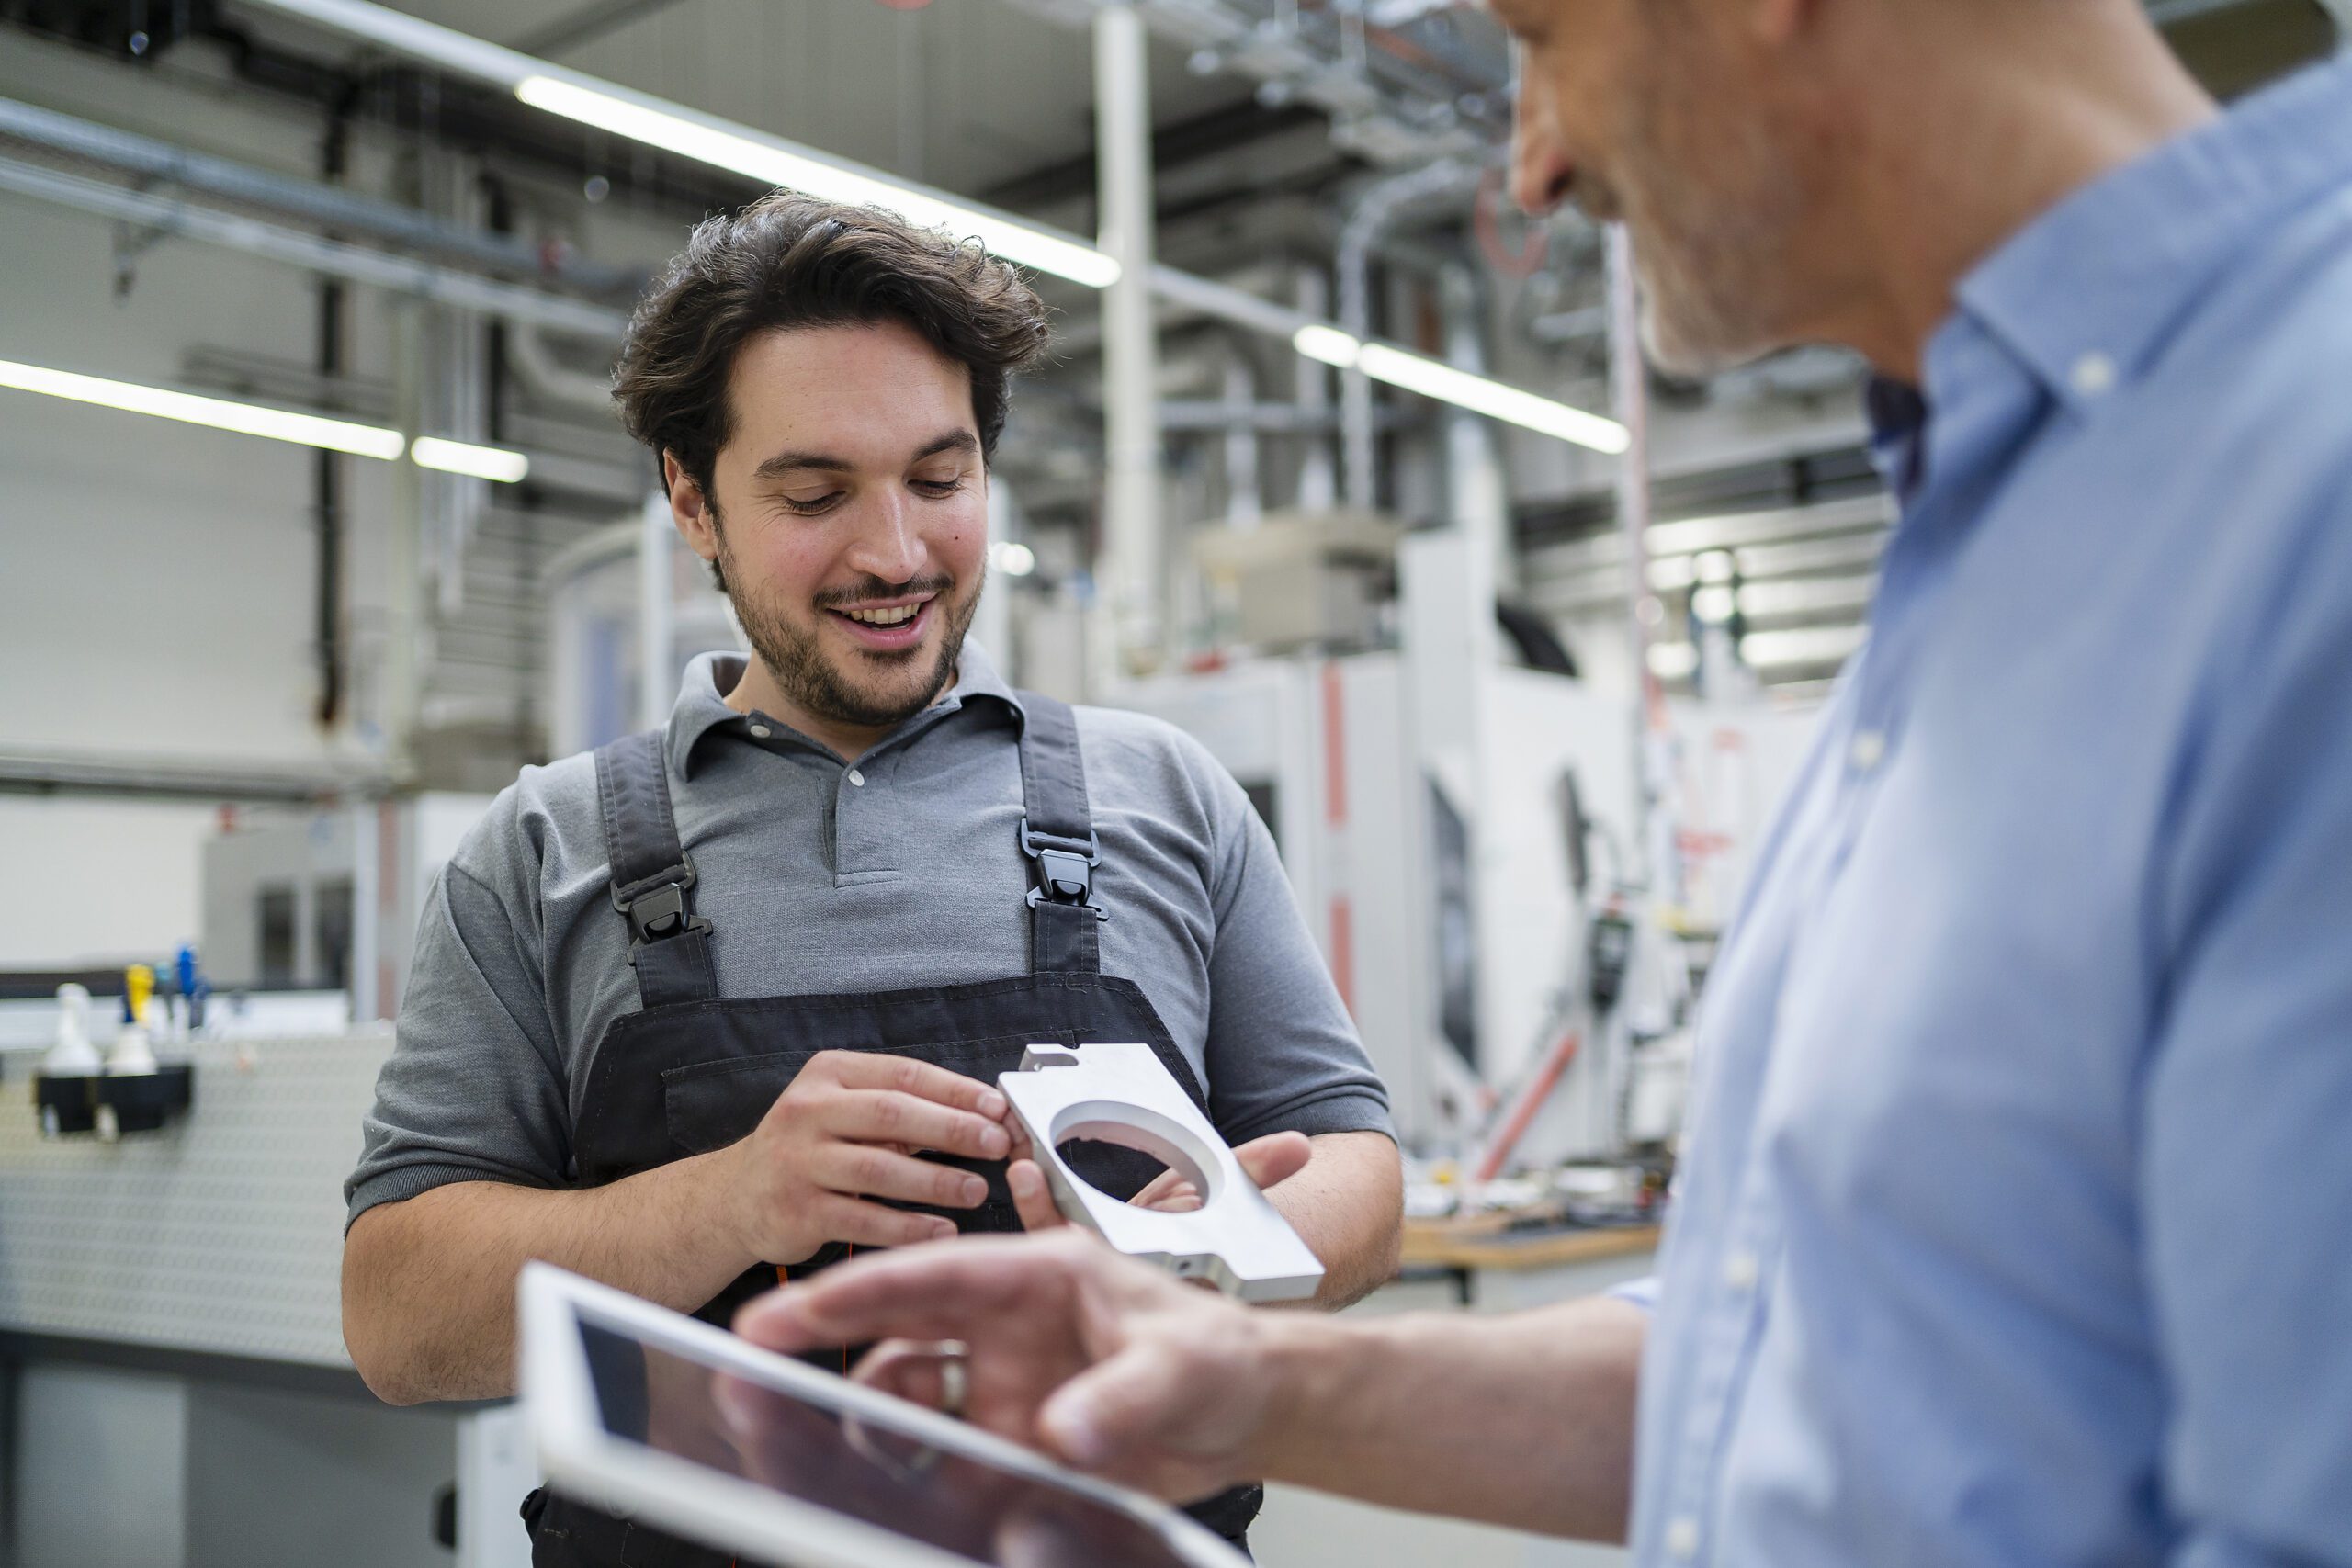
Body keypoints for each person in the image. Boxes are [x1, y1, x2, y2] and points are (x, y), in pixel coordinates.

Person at [738, 2, 2352, 1563]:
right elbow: (1844, 1391)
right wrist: (1243, 1385)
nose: (1533, 167)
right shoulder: (2009, 530)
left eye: (1541, 38)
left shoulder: (2300, 500)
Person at [338, 193, 1405, 1564]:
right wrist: (725, 1203)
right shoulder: (541, 851)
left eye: (940, 479)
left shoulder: (1169, 799)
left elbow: (1361, 1177)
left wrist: (1218, 1249)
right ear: (691, 497)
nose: (896, 555)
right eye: (814, 493)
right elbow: (397, 1322)